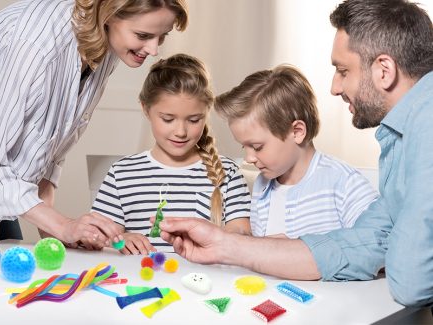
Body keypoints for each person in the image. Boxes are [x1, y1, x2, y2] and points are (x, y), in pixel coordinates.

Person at [158, 0, 433, 307]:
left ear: (384, 70)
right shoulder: (403, 135)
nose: (333, 87)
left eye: (343, 70)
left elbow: (409, 281)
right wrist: (224, 245)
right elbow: (363, 242)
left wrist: (382, 250)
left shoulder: (427, 125)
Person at [0, 0, 189, 253]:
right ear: (109, 13)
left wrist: (54, 233)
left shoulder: (106, 44)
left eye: (162, 36)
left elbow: (49, 152)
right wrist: (63, 225)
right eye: (143, 35)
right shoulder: (34, 43)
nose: (153, 49)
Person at [91, 53, 251, 254]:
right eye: (168, 119)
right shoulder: (122, 173)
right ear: (146, 109)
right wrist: (121, 240)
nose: (181, 132)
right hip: (141, 282)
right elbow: (97, 237)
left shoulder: (228, 172)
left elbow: (241, 232)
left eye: (193, 120)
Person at [215, 64, 378, 238]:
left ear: (297, 132)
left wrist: (297, 250)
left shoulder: (344, 183)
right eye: (244, 146)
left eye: (257, 147)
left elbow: (378, 245)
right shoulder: (262, 186)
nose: (249, 158)